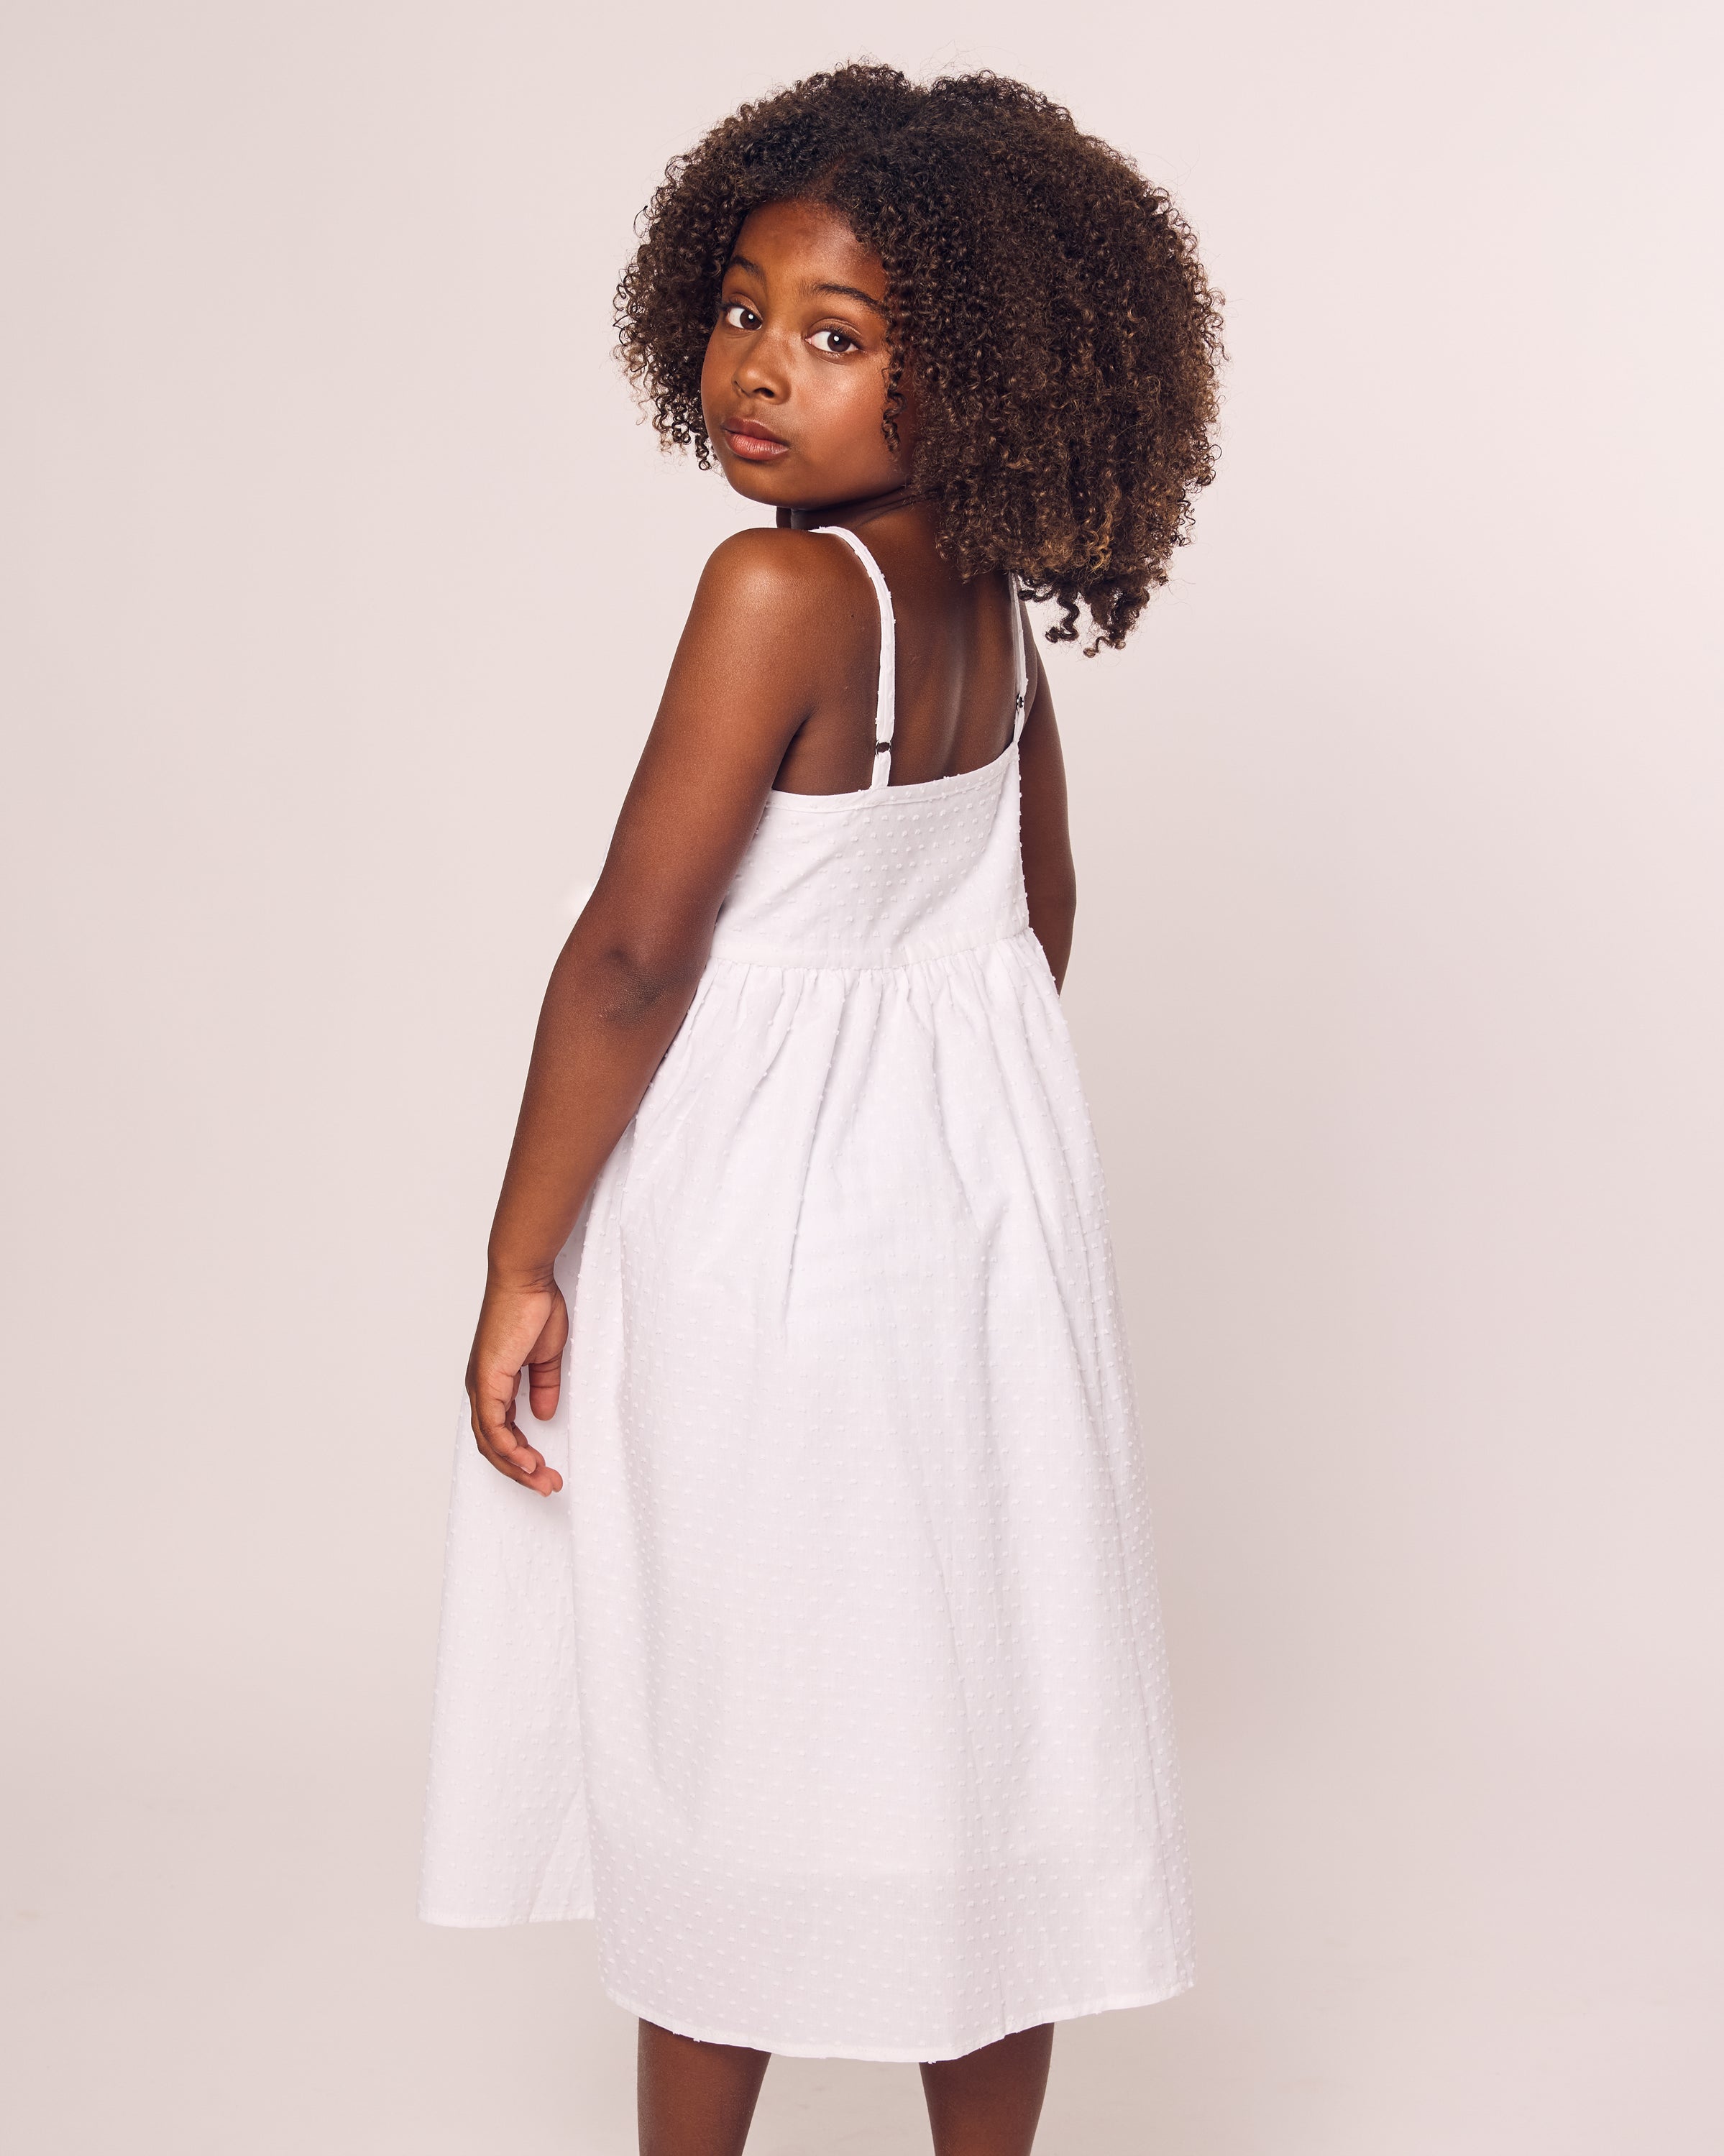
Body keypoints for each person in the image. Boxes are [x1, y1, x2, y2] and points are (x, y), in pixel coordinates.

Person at [420, 63, 1223, 2156]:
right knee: (975, 1735)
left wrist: (524, 1252)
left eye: (839, 335)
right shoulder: (986, 606)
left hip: (759, 1239)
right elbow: (1031, 913)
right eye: (745, 308)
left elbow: (632, 951)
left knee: (732, 1725)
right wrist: (935, 1137)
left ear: (986, 375)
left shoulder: (772, 596)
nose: (762, 368)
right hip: (961, 1233)